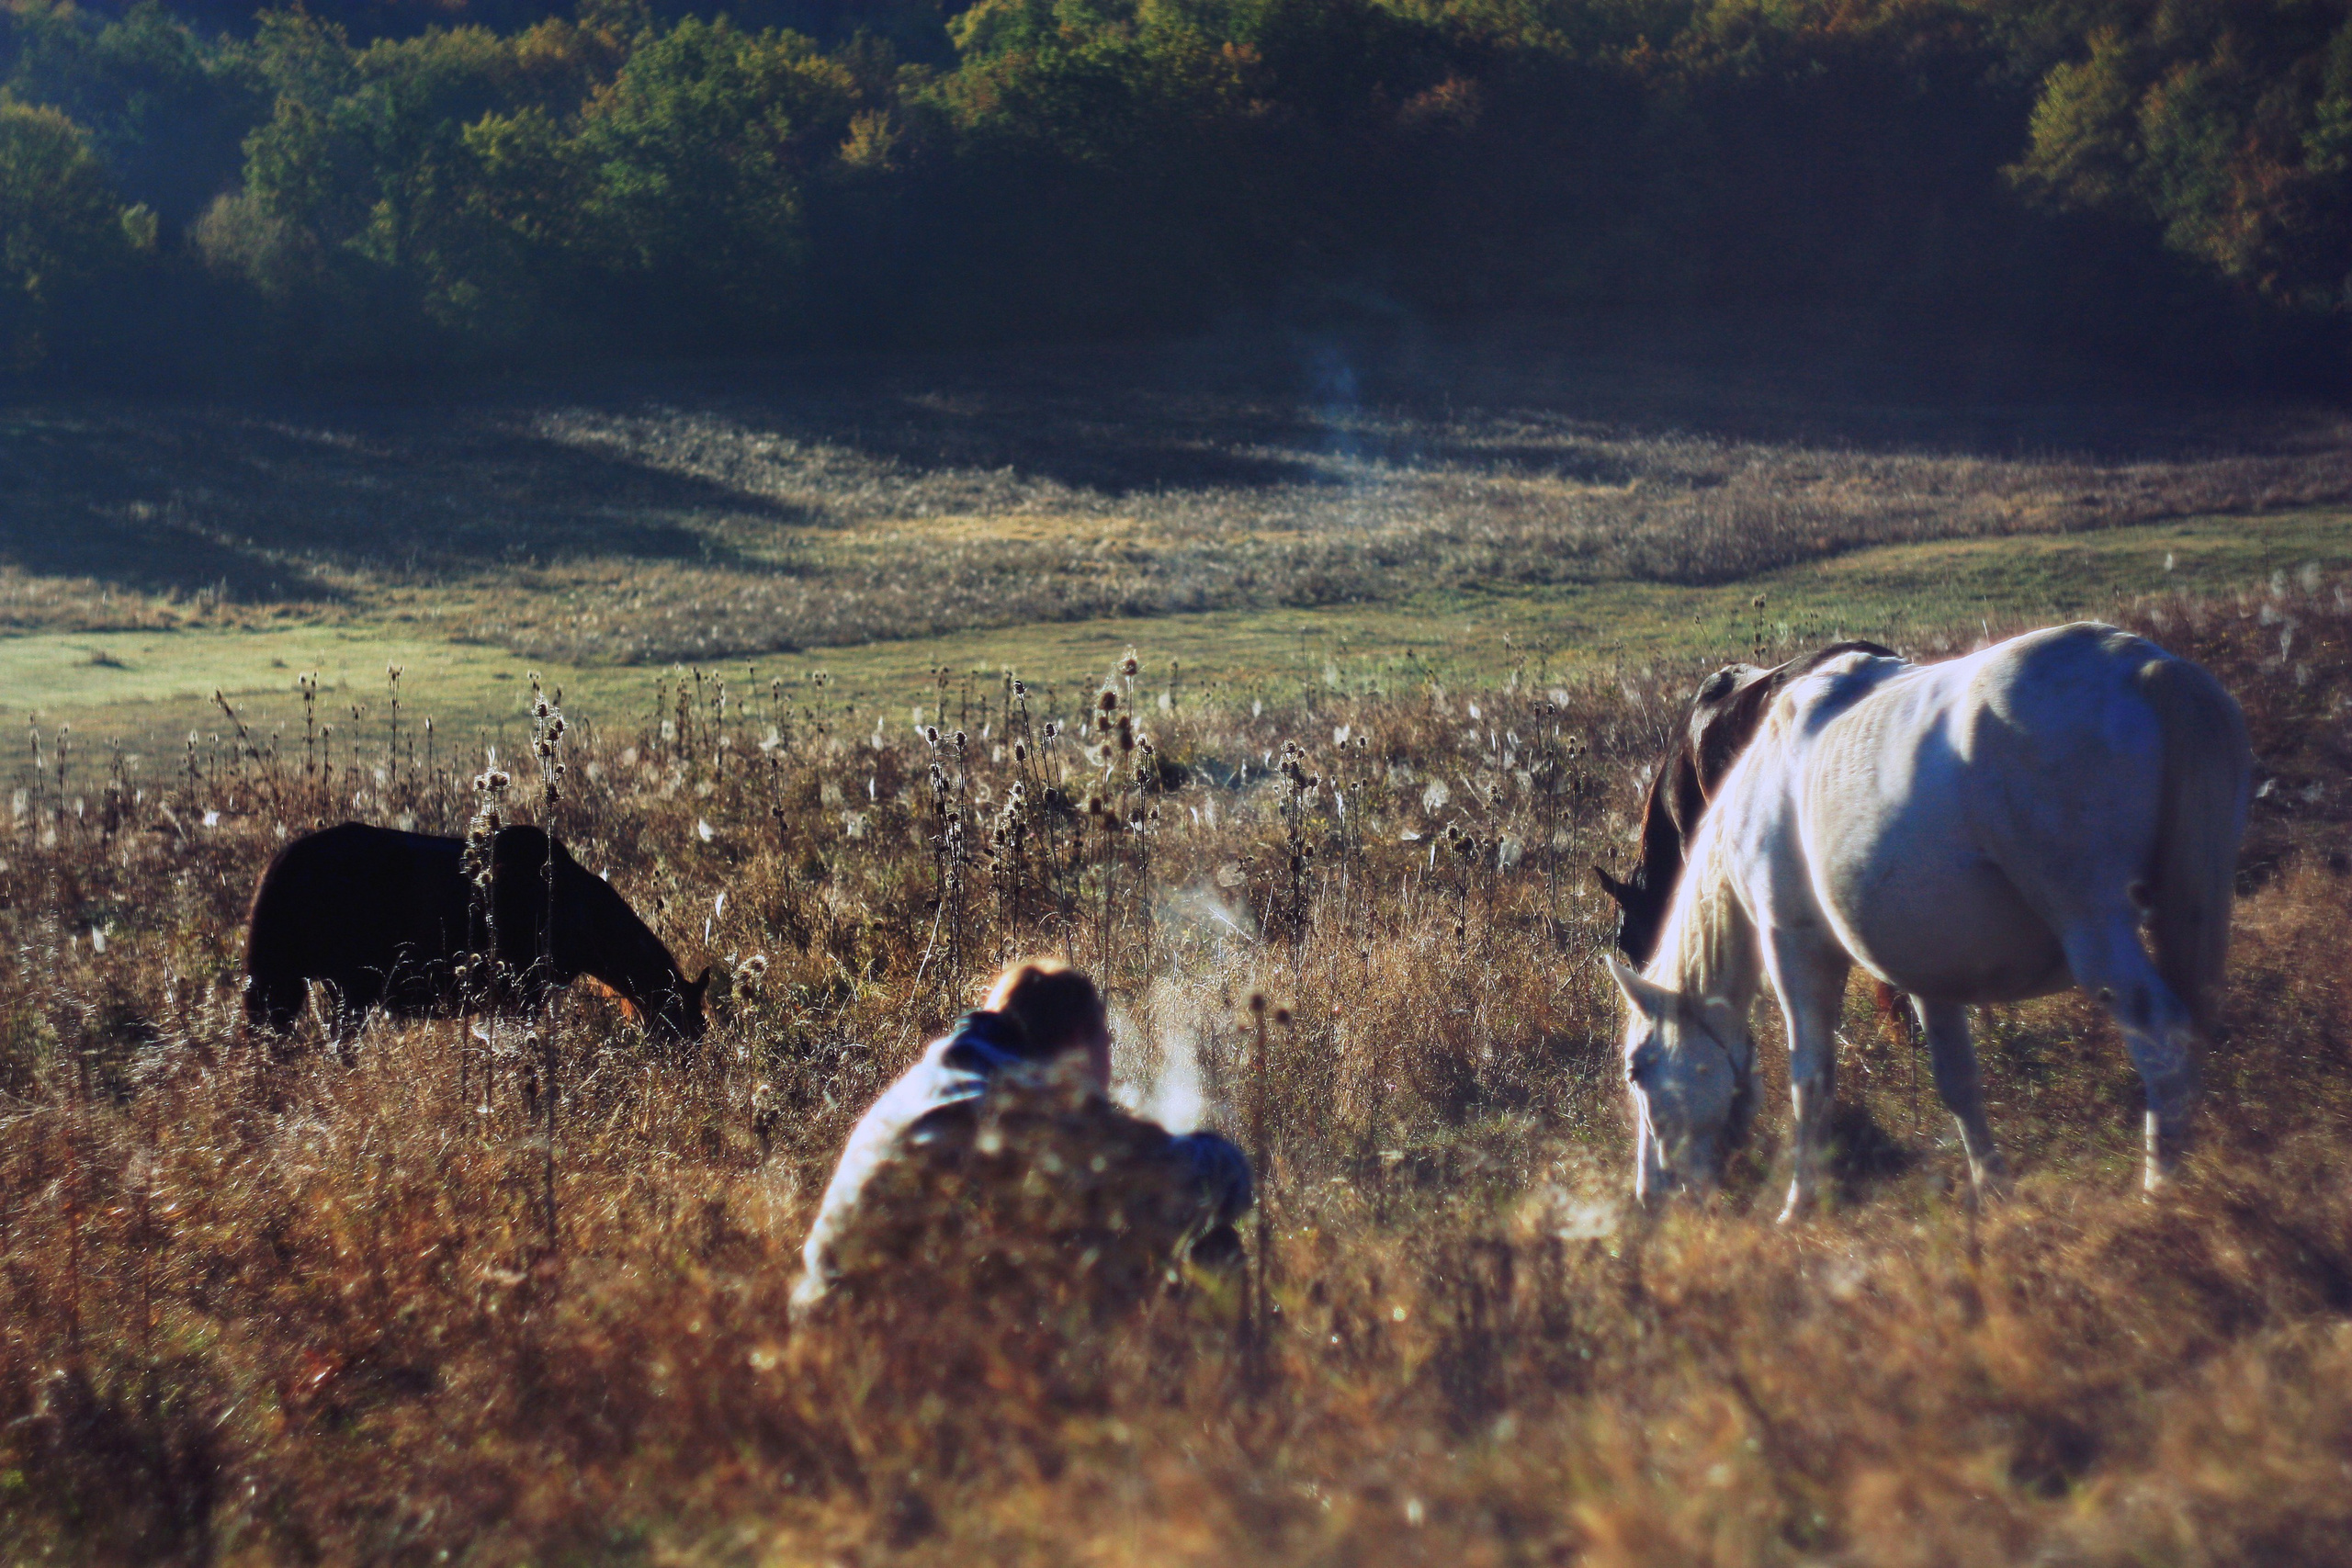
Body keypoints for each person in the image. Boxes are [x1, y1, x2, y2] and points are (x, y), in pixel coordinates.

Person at [793, 958, 1253, 1314]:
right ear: (1078, 1039)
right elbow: (1206, 1180)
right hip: (908, 1364)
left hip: (828, 1336)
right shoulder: (1029, 1099)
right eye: (1106, 1043)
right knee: (1208, 1243)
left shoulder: (927, 1080)